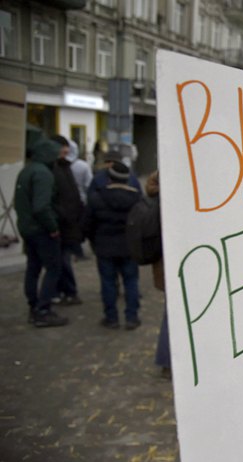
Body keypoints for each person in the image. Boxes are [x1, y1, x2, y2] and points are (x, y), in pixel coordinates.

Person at [14, 130, 69, 327]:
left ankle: (33, 306)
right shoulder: (43, 174)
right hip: (42, 230)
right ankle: (43, 310)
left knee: (33, 268)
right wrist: (52, 227)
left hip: (27, 229)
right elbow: (41, 206)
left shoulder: (26, 170)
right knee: (54, 268)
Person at [84, 161, 142, 329]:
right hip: (129, 248)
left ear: (109, 178)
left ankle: (111, 318)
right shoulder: (136, 199)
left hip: (104, 247)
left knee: (108, 283)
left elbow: (87, 224)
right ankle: (132, 317)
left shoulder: (97, 197)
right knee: (131, 282)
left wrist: (93, 241)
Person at [50, 135, 85, 305]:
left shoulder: (65, 167)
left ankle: (67, 291)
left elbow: (72, 194)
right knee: (61, 261)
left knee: (63, 260)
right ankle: (66, 291)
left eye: (67, 147)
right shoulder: (54, 168)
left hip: (69, 223)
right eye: (63, 147)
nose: (66, 150)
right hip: (61, 224)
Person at [146, 171, 171, 378]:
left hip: (168, 267)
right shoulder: (168, 202)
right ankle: (167, 363)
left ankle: (167, 363)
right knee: (173, 315)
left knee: (172, 314)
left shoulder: (160, 200)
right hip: (174, 267)